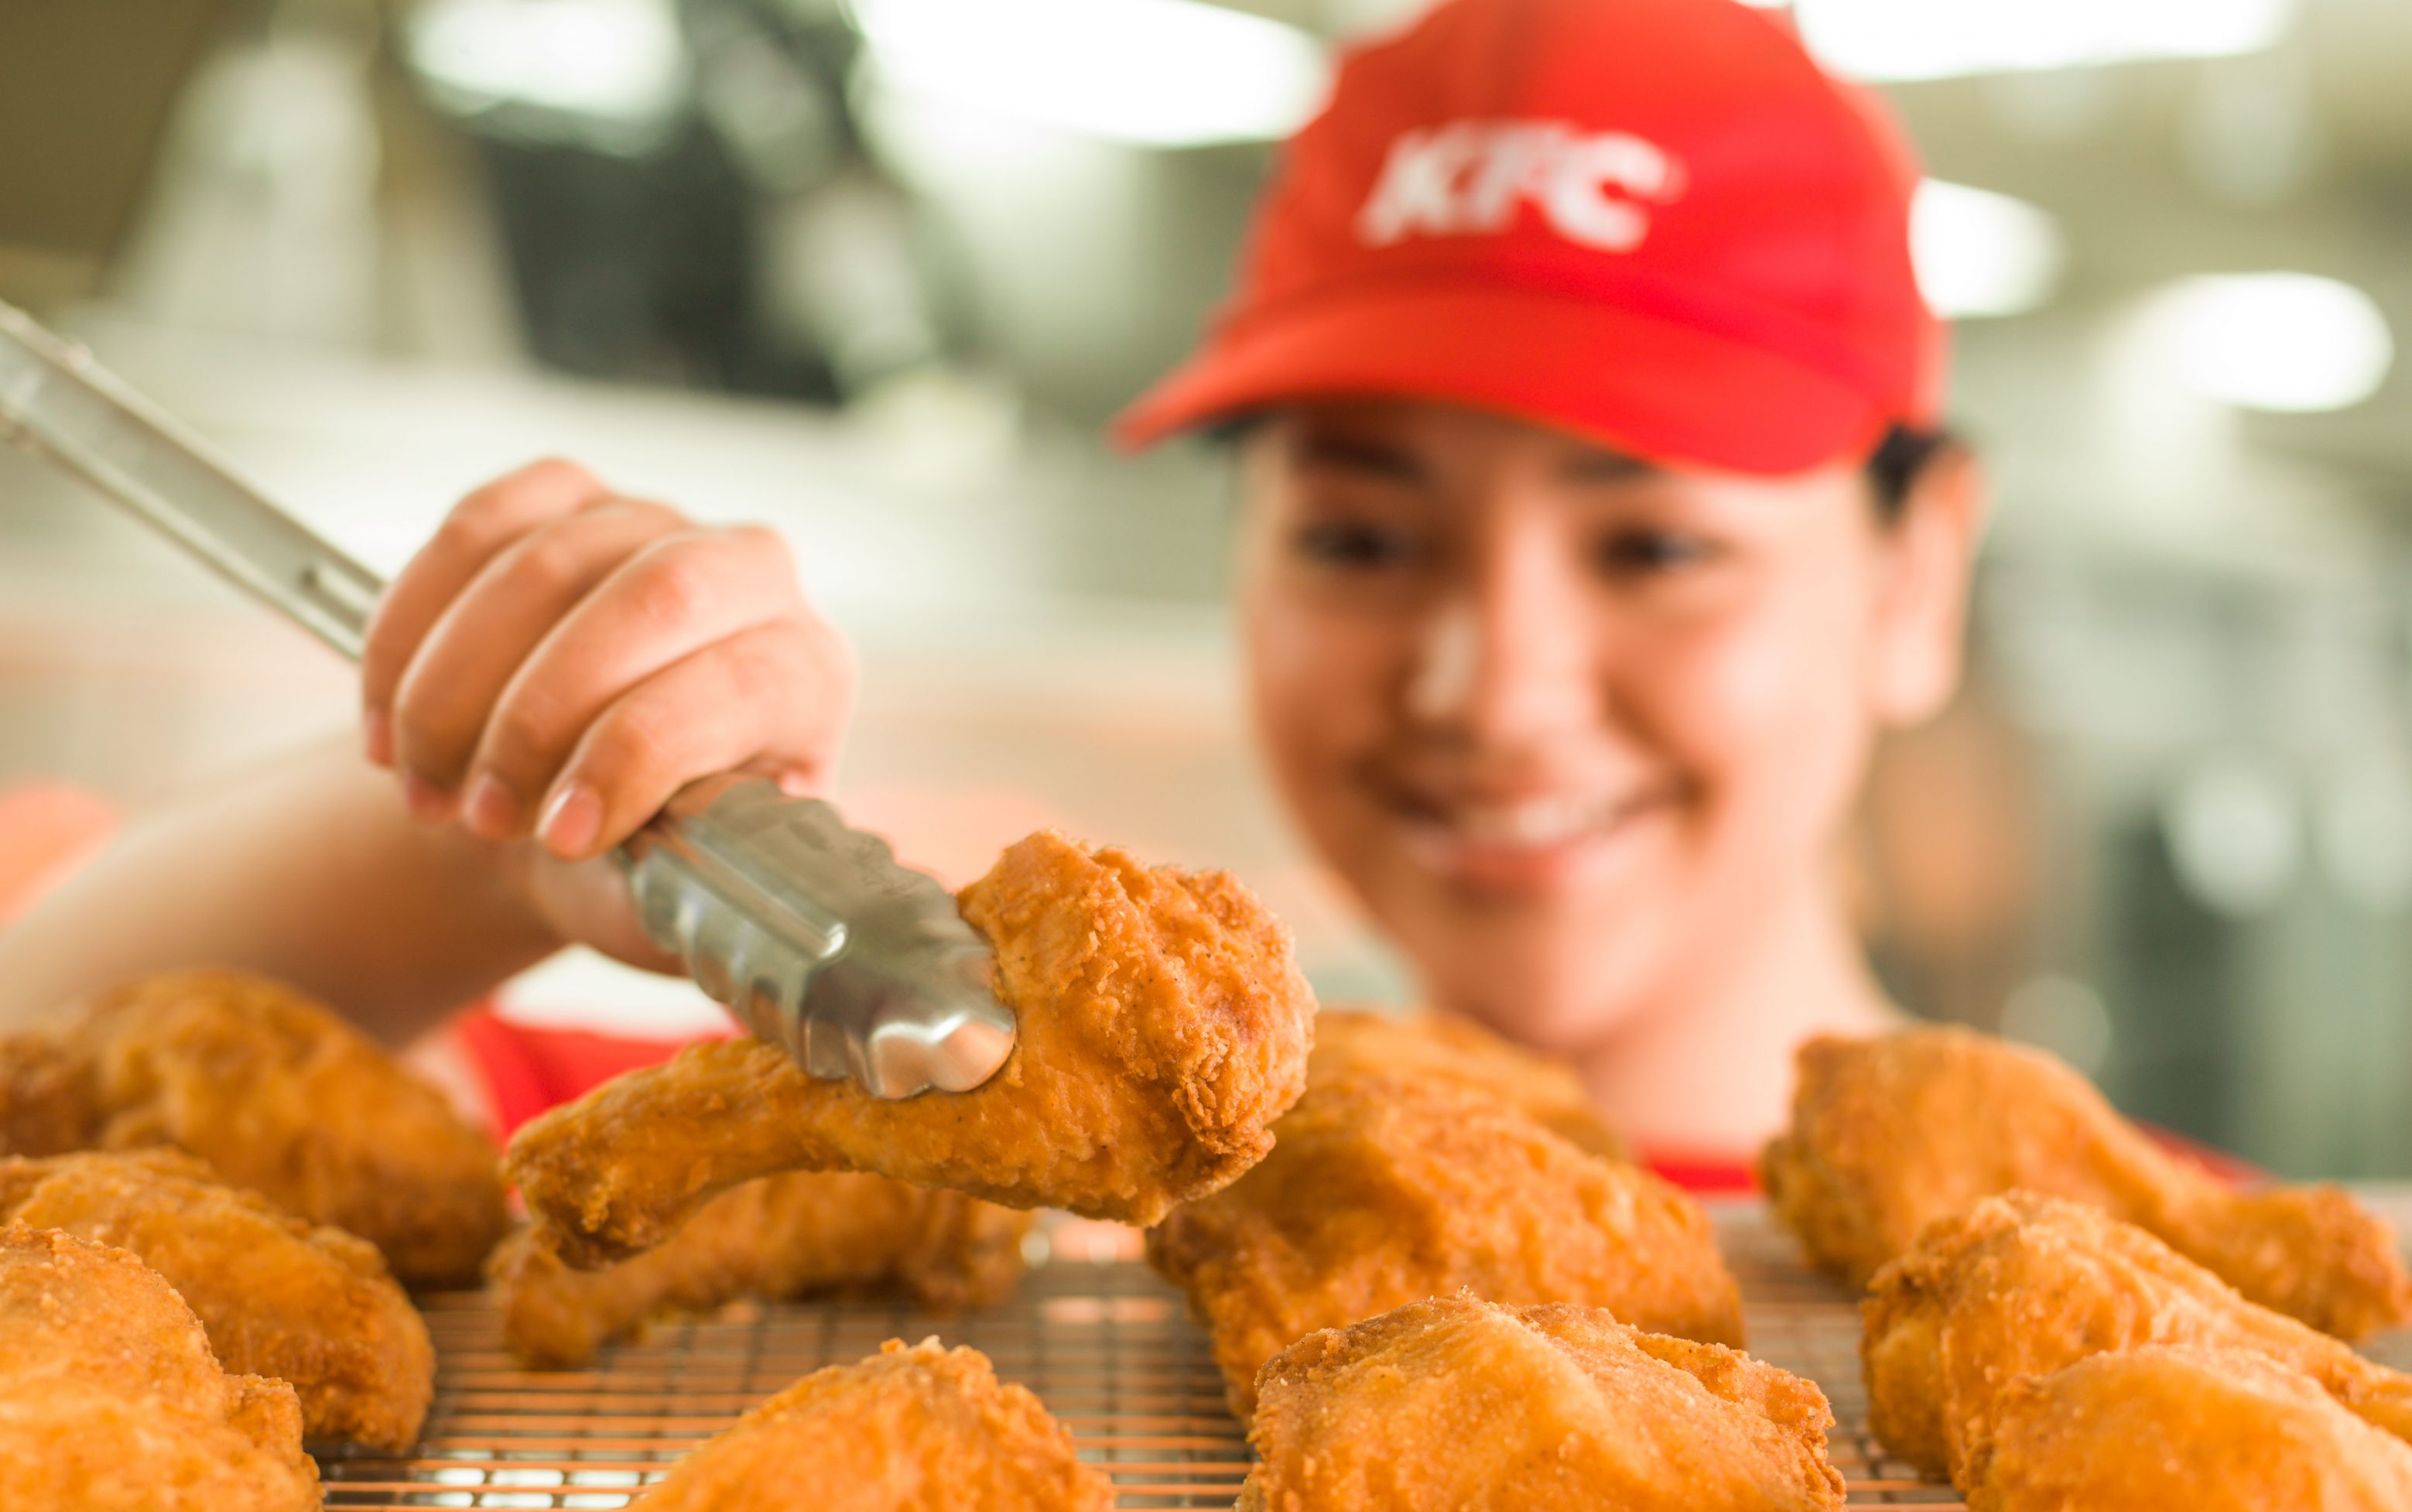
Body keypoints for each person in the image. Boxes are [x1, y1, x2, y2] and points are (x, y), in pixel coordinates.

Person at [0, 0, 1982, 1175]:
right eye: (1362, 538)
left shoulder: (2194, 1287)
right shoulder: (982, 1151)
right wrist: (505, 838)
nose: (1490, 680)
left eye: (1653, 546)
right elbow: (50, 1096)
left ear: (1916, 578)